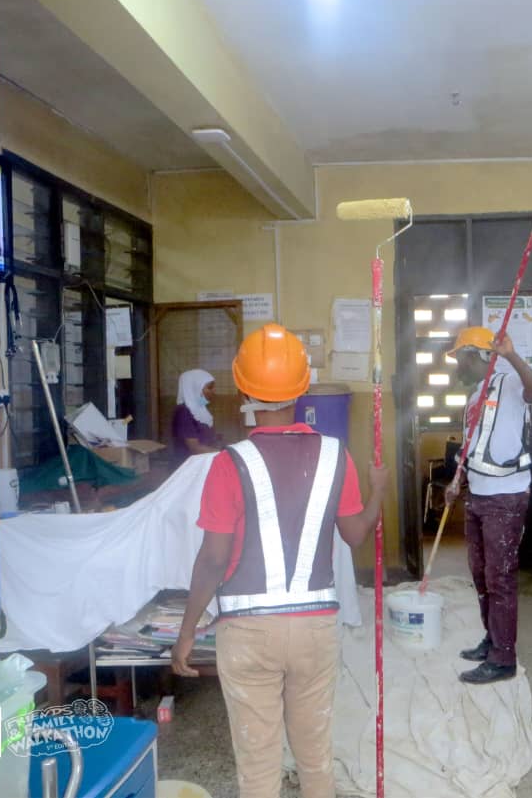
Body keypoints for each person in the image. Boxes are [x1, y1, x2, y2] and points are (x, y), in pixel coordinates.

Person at [172, 323, 389, 798]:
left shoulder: (228, 463)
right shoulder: (336, 455)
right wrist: (378, 491)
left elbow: (213, 559)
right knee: (315, 759)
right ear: (302, 388)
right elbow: (355, 534)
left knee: (258, 767)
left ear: (243, 390)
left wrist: (187, 631)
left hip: (248, 633)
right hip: (315, 629)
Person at [445, 326, 532, 685]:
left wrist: (510, 355)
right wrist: (457, 480)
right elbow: (471, 446)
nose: (457, 365)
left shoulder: (510, 381)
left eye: (459, 357)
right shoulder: (476, 395)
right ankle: (492, 639)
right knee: (480, 574)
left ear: (477, 356)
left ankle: (504, 659)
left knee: (499, 577)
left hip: (505, 496)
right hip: (477, 493)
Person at [171, 369, 219, 464]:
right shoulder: (184, 413)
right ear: (195, 388)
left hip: (202, 462)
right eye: (210, 387)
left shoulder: (199, 409)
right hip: (188, 466)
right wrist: (223, 453)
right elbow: (195, 448)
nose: (214, 391)